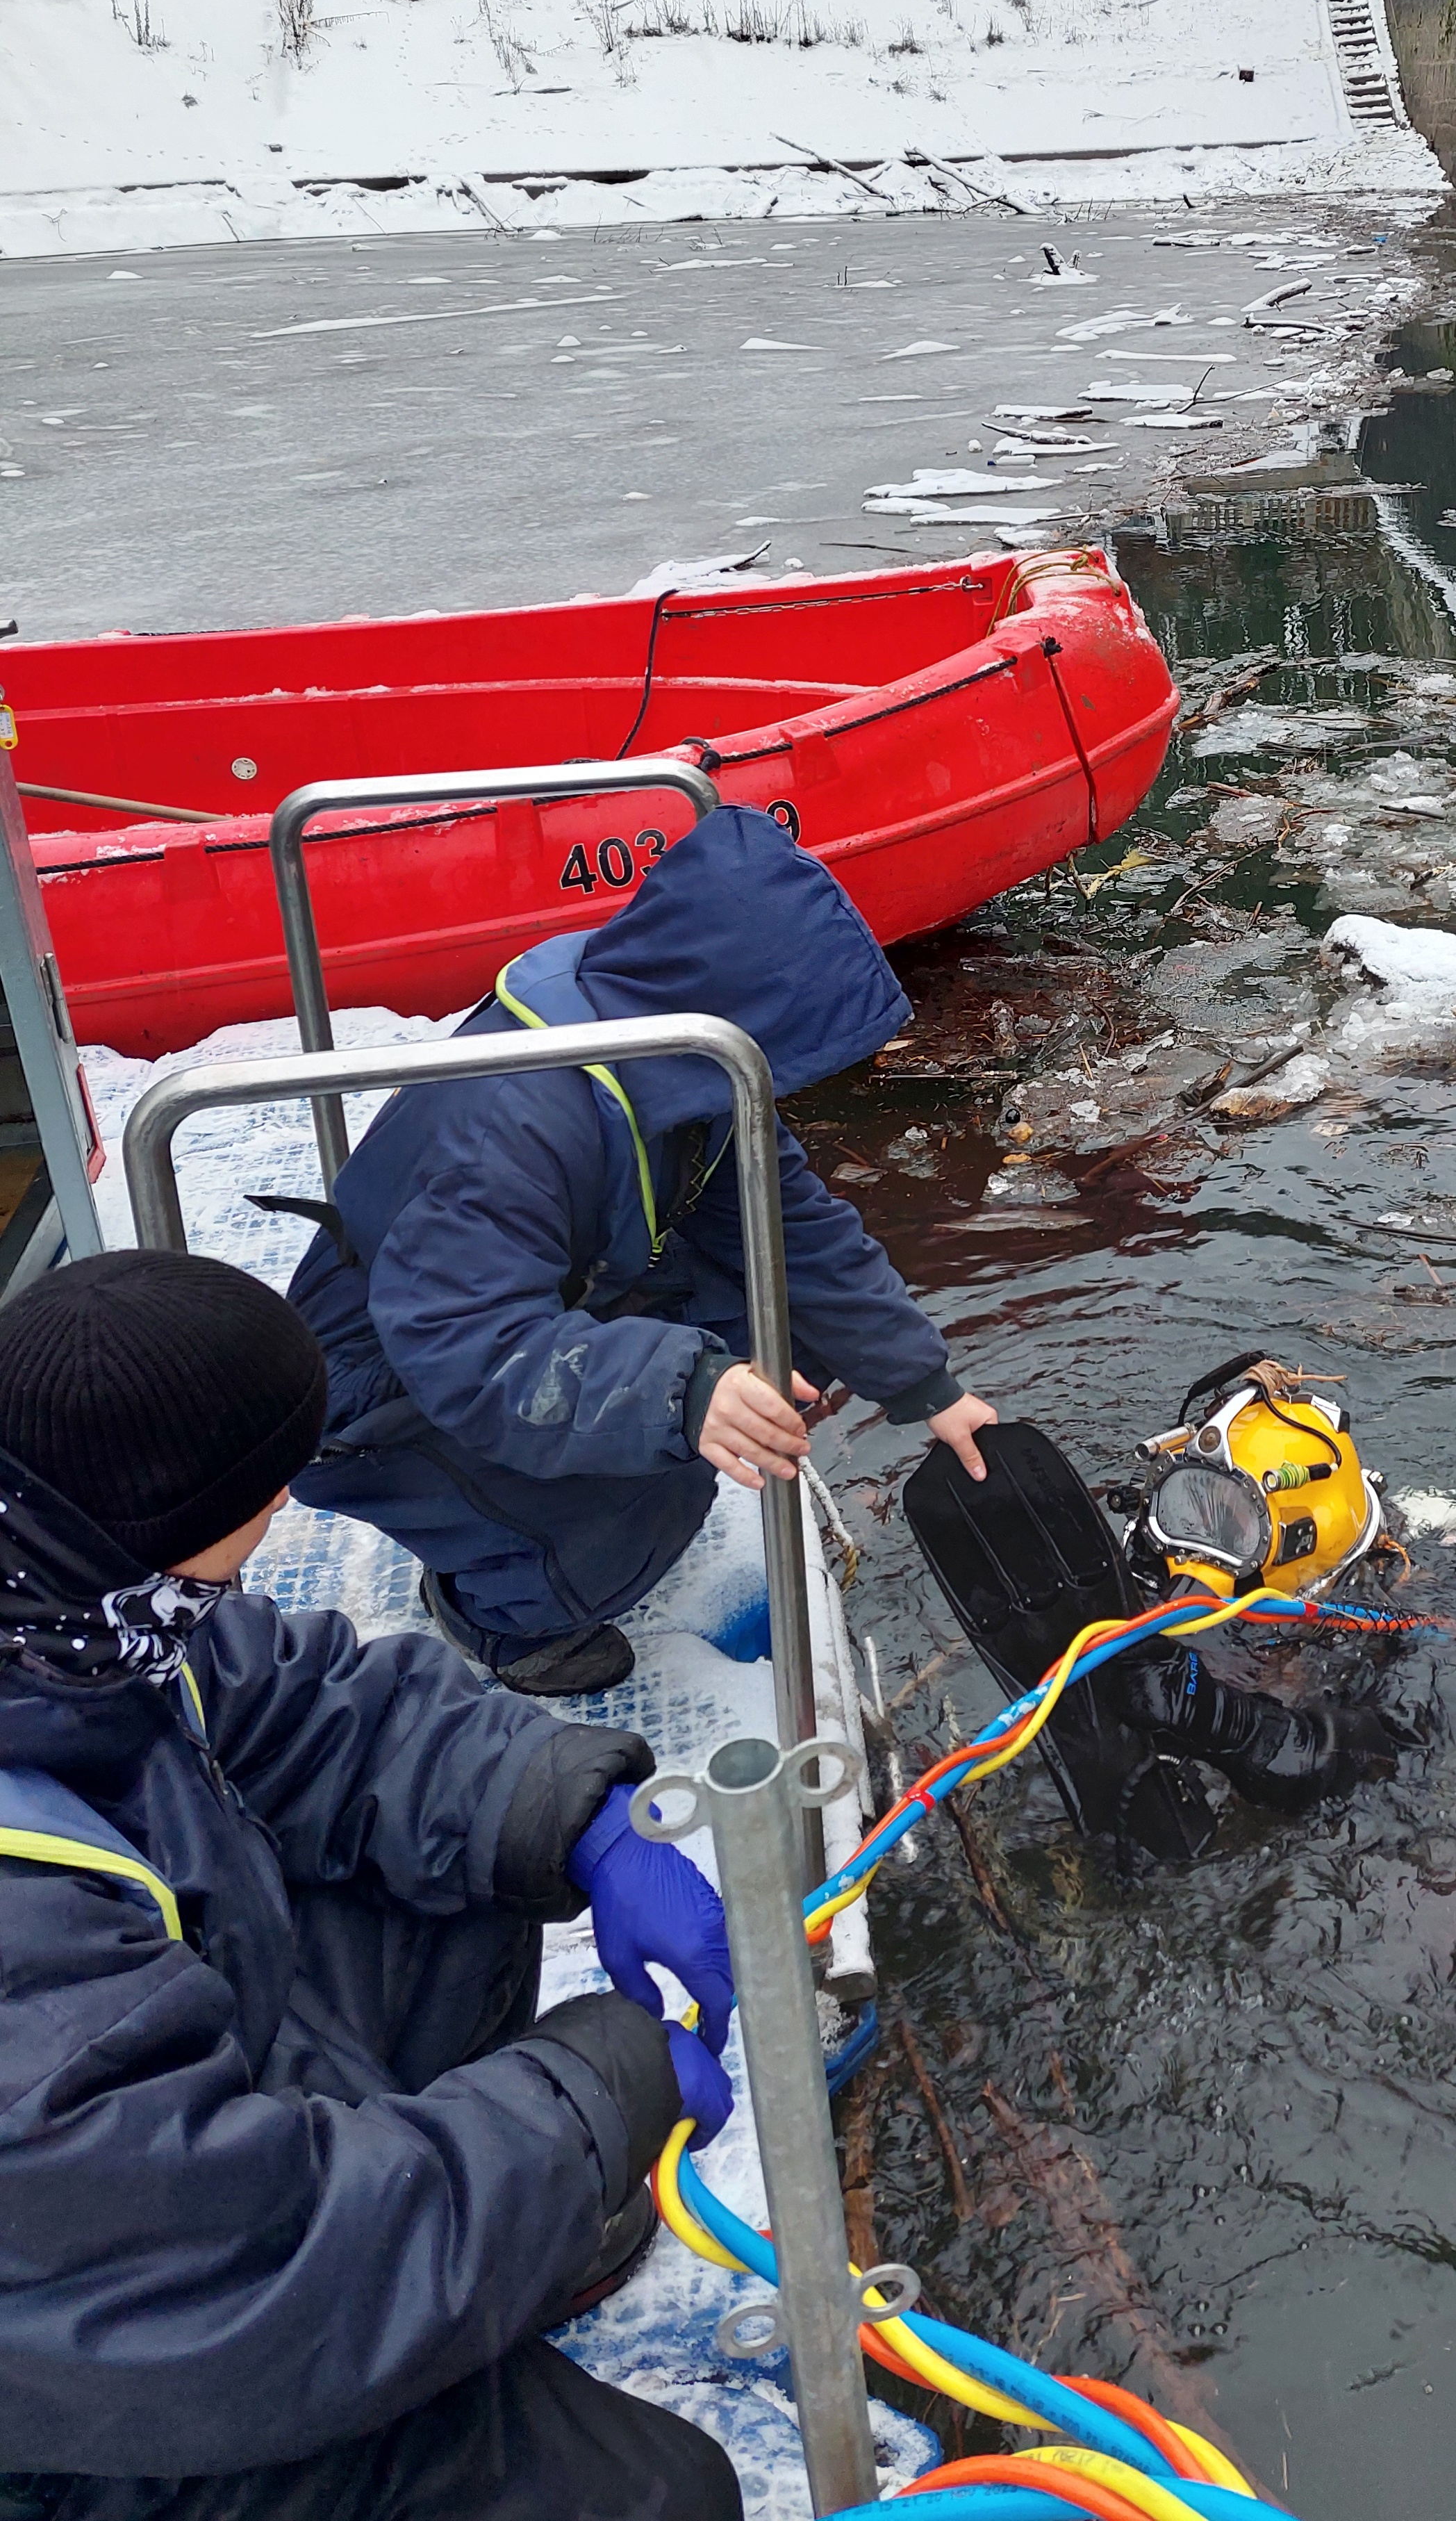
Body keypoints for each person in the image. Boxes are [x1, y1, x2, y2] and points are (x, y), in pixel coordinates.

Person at [0, 1249, 743, 2521]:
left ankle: (465, 2252)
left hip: (133, 2172)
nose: (287, 1500)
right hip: (94, 2394)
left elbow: (309, 1707)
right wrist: (592, 2106)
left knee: (463, 1874)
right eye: (259, 1489)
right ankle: (433, 2266)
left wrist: (574, 1817)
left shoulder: (74, 1592)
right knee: (659, 2497)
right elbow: (242, 2269)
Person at [286, 807, 996, 1695]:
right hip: (373, 1385)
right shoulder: (513, 1119)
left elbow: (796, 1230)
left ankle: (567, 1491)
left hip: (529, 1303)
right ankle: (501, 1603)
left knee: (788, 1343)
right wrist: (683, 1393)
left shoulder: (687, 1051)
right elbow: (464, 1343)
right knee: (651, 1502)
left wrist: (927, 1388)